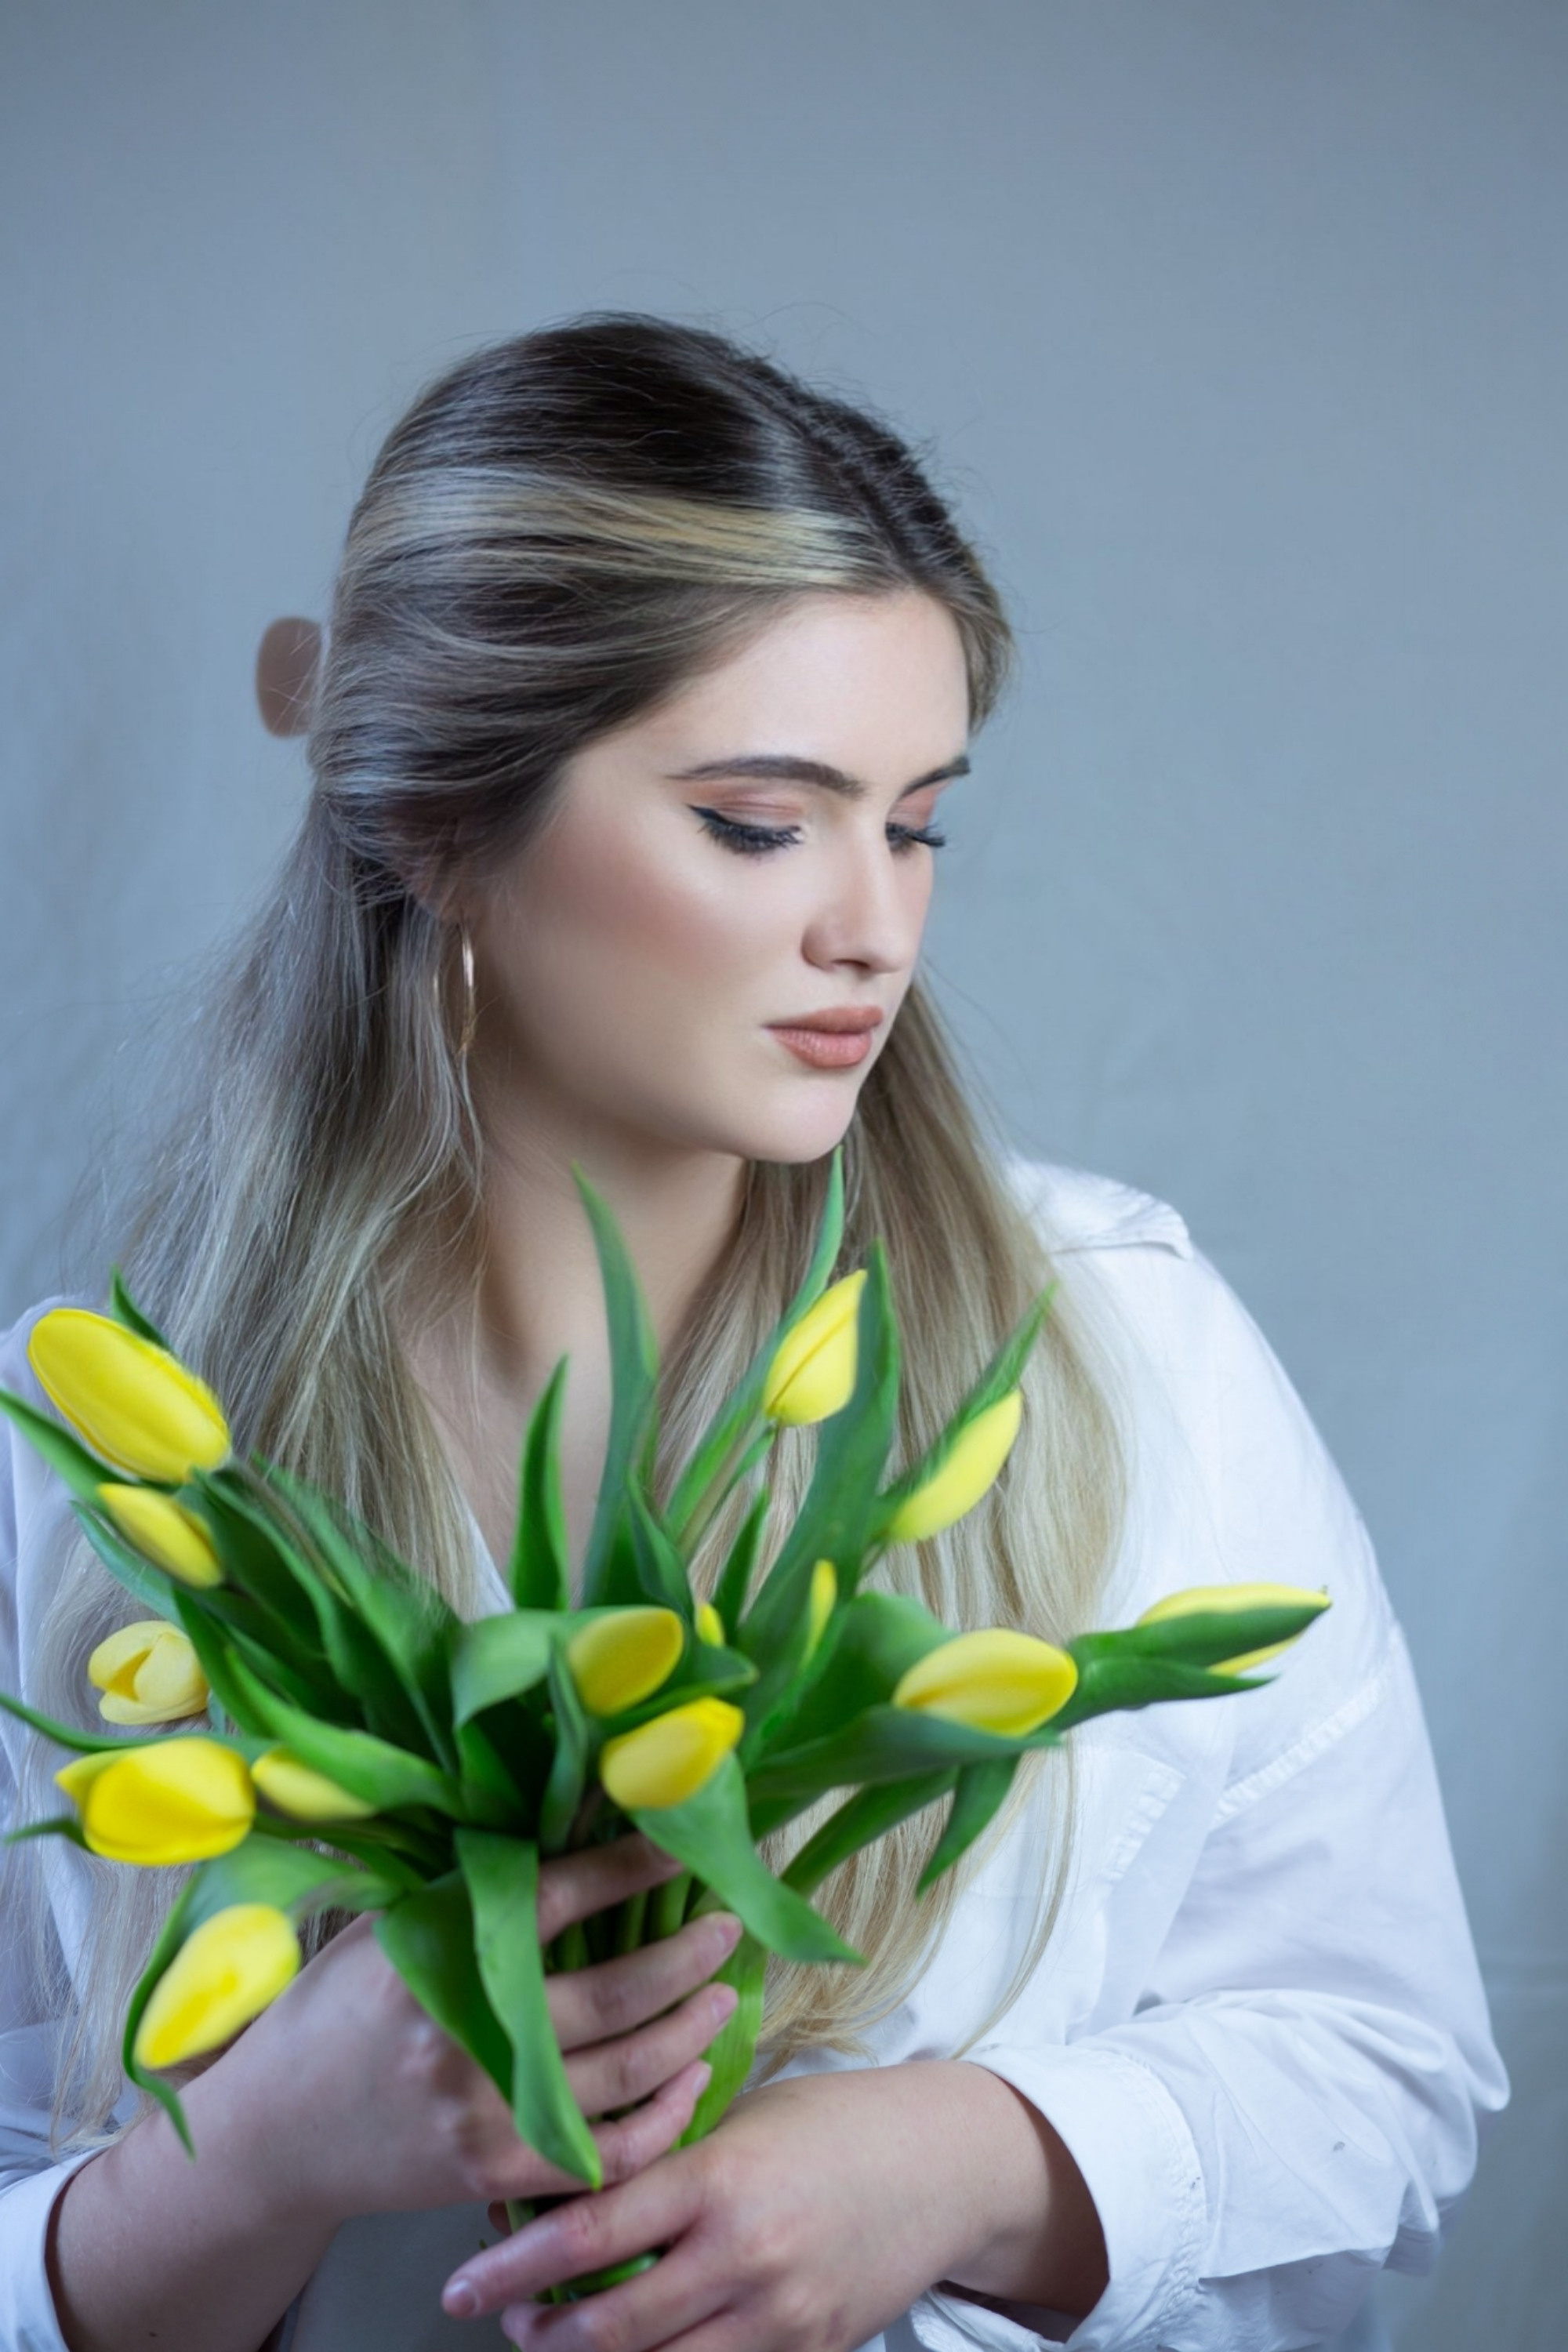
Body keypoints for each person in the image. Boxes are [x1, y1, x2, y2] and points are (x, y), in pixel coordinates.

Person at [0, 314, 1505, 2352]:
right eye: (759, 822)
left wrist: (968, 2162)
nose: (872, 926)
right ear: (439, 826)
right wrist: (262, 2148)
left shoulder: (1111, 1350)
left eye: (917, 820)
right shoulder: (98, 1451)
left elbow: (1387, 2067)